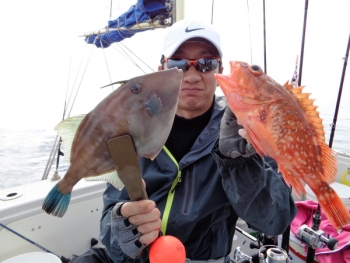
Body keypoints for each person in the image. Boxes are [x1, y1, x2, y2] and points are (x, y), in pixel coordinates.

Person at [72, 19, 297, 263]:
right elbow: (111, 223)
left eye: (205, 63)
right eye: (179, 63)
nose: (191, 75)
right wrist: (122, 231)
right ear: (162, 69)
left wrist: (240, 164)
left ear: (219, 72)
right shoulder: (130, 130)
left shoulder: (245, 130)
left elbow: (275, 219)